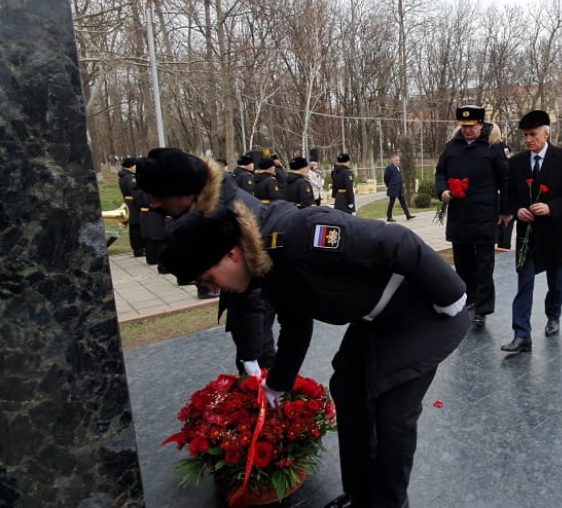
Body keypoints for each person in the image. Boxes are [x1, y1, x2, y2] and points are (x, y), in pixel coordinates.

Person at [159, 201, 468, 508]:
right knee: (347, 388)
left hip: (427, 308)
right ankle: (359, 495)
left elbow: (397, 240)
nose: (214, 290)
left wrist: (450, 292)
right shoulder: (266, 266)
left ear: (231, 254)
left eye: (209, 279)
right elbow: (296, 325)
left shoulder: (302, 236)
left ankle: (389, 504)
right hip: (377, 317)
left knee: (392, 415)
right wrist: (277, 385)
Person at [135, 147, 276, 374]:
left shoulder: (229, 215)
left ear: (185, 192)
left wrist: (252, 355)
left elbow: (254, 294)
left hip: (255, 306)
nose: (154, 203)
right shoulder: (210, 207)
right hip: (245, 304)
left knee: (259, 368)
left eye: (160, 196)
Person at [503, 110, 562, 353]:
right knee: (524, 283)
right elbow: (510, 195)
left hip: (555, 233)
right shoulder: (516, 163)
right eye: (525, 135)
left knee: (555, 282)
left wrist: (551, 207)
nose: (528, 139)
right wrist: (517, 210)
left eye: (533, 134)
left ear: (546, 134)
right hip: (527, 235)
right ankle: (521, 335)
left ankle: (553, 315)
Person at [435, 105, 510, 328]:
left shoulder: (493, 147)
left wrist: (506, 210)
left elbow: (505, 179)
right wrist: (443, 190)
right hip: (459, 213)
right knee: (463, 262)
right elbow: (440, 172)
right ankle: (468, 299)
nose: (467, 130)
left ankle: (483, 309)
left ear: (481, 124)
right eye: (464, 126)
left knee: (484, 264)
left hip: (484, 213)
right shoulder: (452, 146)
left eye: (472, 126)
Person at [118, 157, 146, 257]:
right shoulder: (130, 178)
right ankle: (139, 249)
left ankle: (137, 249)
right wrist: (142, 203)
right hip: (134, 204)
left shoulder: (123, 176)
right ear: (131, 166)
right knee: (136, 228)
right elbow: (136, 192)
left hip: (129, 203)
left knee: (134, 227)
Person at [384, 155, 415, 222]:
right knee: (391, 203)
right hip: (393, 188)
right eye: (396, 160)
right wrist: (389, 185)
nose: (398, 161)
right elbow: (386, 178)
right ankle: (389, 217)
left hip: (400, 188)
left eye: (398, 160)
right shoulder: (389, 168)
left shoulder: (399, 167)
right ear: (393, 160)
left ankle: (408, 215)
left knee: (403, 202)